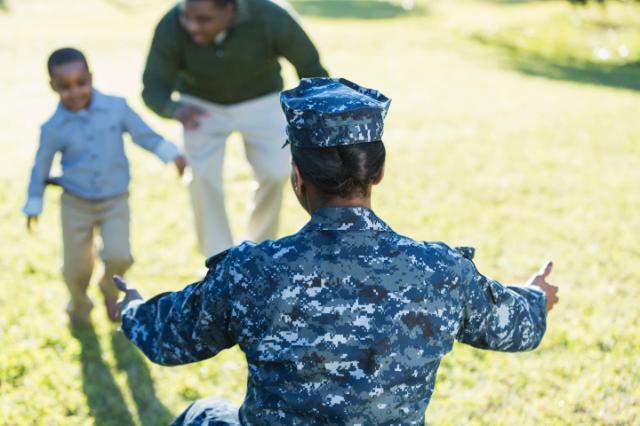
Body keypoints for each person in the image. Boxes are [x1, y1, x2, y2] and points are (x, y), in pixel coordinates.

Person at [115, 77, 559, 424]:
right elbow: (518, 329)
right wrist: (537, 295)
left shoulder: (249, 271)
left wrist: (133, 308)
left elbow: (168, 340)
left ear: (297, 175)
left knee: (203, 413)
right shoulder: (442, 270)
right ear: (379, 172)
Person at [142, 0, 329, 257]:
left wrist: (313, 110)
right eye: (187, 17)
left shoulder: (270, 15)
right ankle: (218, 260)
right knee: (201, 177)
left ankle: (255, 254)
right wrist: (174, 109)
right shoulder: (171, 24)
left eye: (203, 19)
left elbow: (311, 67)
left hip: (261, 99)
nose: (192, 26)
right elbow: (152, 86)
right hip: (200, 104)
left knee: (276, 172)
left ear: (229, 9)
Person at [23, 47, 187, 326]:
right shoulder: (53, 128)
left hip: (115, 199)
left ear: (91, 77)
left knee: (119, 254)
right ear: (53, 86)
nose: (76, 92)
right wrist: (33, 201)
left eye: (82, 83)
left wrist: (172, 154)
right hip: (76, 202)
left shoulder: (116, 107)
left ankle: (109, 290)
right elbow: (41, 165)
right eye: (65, 87)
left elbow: (143, 134)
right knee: (76, 267)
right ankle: (78, 304)